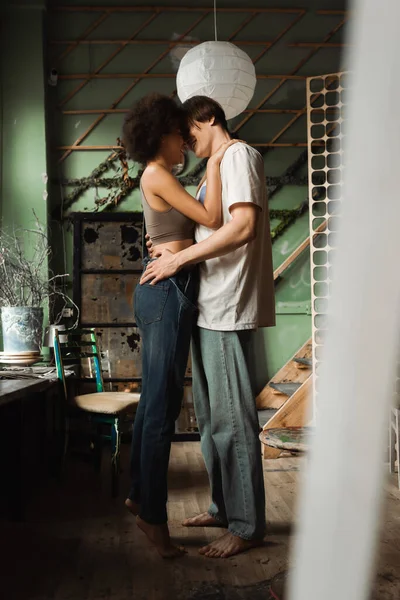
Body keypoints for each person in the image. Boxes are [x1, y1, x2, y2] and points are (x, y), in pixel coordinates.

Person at [140, 96, 276, 559]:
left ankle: (246, 524)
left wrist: (178, 257)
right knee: (212, 419)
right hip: (205, 305)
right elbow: (203, 226)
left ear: (209, 118)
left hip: (227, 304)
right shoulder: (215, 166)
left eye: (189, 129)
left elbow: (241, 228)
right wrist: (167, 246)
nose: (185, 138)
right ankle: (223, 506)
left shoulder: (238, 155)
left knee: (233, 422)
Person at [121, 93, 237, 559]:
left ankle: (137, 495)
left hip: (167, 292)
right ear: (161, 135)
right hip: (166, 295)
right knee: (161, 410)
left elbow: (182, 229)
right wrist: (219, 156)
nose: (186, 145)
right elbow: (210, 217)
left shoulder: (159, 176)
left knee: (154, 404)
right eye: (180, 137)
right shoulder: (156, 173)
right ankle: (152, 518)